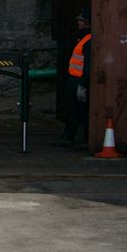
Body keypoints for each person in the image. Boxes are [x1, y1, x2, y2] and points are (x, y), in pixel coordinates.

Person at [52, 8, 92, 148]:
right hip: (74, 79)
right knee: (73, 110)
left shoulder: (88, 41)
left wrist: (83, 84)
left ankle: (74, 137)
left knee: (77, 111)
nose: (78, 22)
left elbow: (88, 65)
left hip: (78, 80)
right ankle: (71, 136)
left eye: (81, 20)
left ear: (87, 23)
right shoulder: (83, 39)